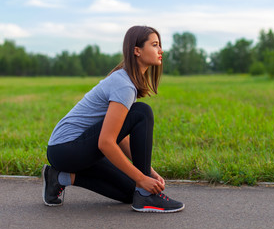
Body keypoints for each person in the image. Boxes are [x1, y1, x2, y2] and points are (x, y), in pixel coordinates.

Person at [42, 25, 185, 213]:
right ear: (137, 51)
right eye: (155, 45)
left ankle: (58, 177)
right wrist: (142, 180)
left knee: (129, 192)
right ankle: (145, 195)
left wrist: (147, 173)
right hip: (66, 148)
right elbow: (106, 143)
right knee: (142, 112)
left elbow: (120, 135)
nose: (161, 50)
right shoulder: (124, 85)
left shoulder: (127, 81)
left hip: (71, 150)